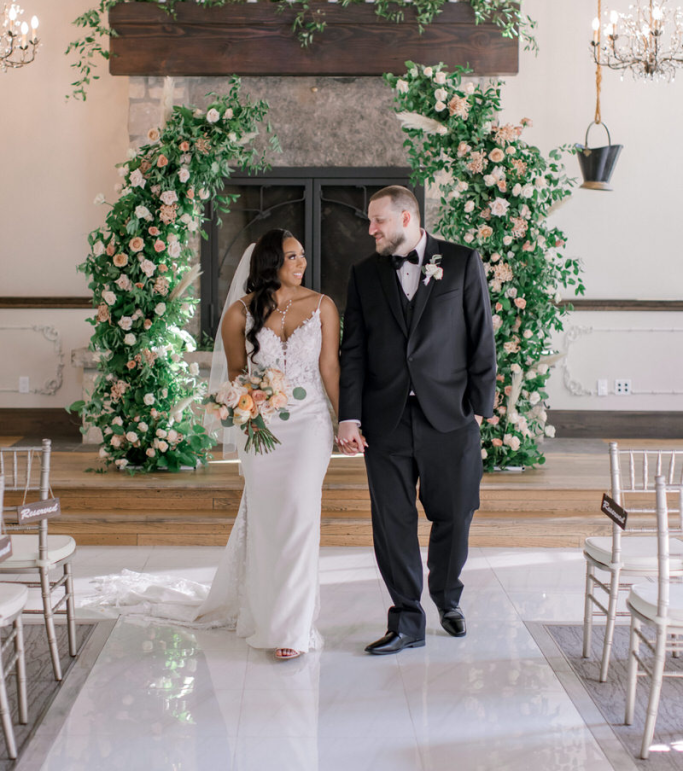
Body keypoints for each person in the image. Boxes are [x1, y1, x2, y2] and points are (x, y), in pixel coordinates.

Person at [87, 229, 339, 662]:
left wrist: (346, 420)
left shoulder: (323, 306)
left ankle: (292, 627)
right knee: (267, 521)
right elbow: (237, 374)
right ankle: (265, 612)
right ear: (271, 262)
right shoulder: (239, 313)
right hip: (261, 427)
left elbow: (329, 367)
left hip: (310, 424)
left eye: (301, 255)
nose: (301, 263)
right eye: (291, 256)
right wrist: (249, 404)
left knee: (300, 515)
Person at [337, 186, 496, 655]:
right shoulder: (364, 273)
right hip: (385, 419)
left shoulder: (462, 262)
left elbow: (480, 335)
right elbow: (354, 350)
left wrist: (480, 408)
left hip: (450, 415)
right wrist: (349, 416)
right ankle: (407, 619)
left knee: (456, 513)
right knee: (392, 523)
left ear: (407, 218)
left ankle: (447, 598)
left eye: (378, 221)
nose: (371, 230)